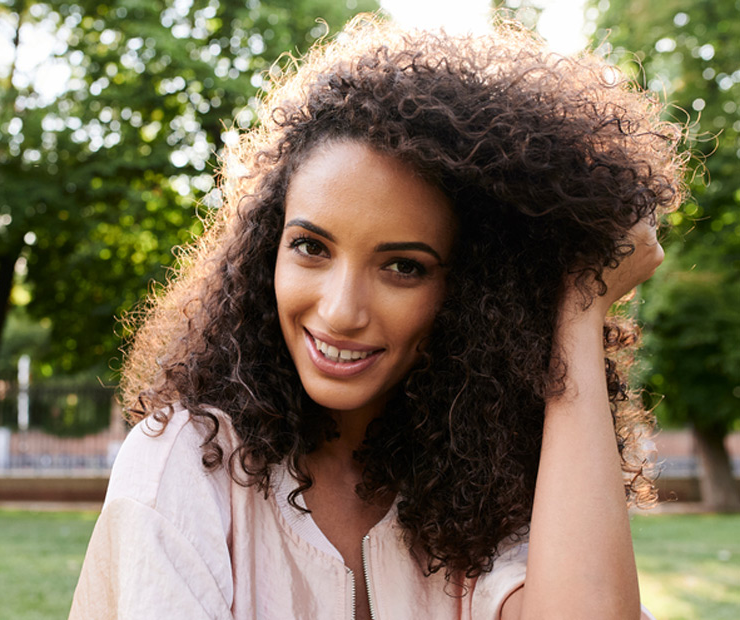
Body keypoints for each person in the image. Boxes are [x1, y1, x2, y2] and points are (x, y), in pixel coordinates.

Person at [70, 15, 684, 620]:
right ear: (267, 251)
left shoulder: (483, 482)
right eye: (311, 247)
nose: (339, 312)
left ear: (472, 293)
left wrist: (578, 304)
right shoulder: (187, 463)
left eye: (404, 267)